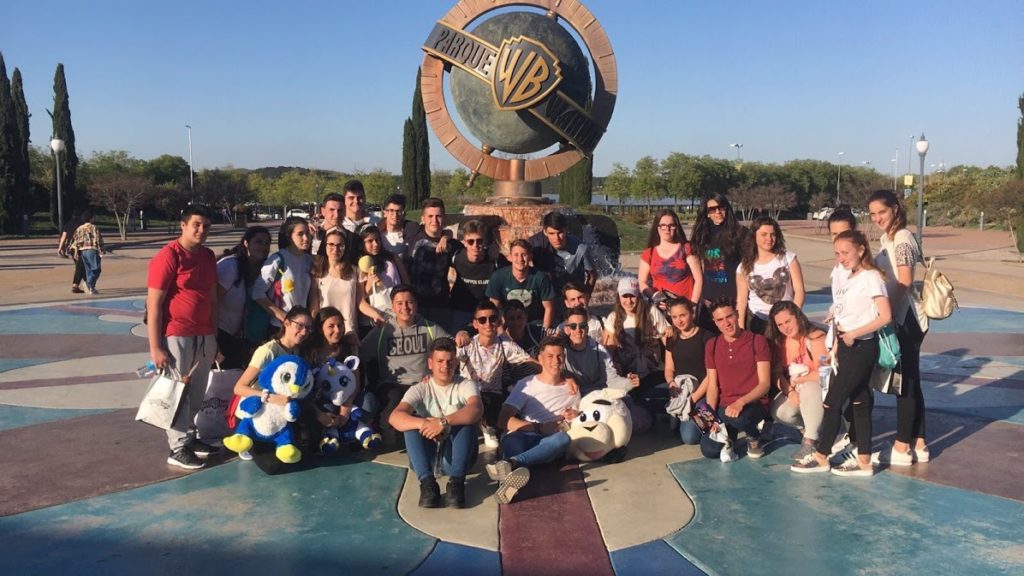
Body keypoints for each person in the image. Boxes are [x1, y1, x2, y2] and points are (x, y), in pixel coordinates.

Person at [791, 230, 890, 476]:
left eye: (845, 252)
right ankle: (864, 460)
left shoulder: (871, 277)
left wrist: (854, 333)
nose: (841, 258)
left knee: (832, 401)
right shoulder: (849, 276)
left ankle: (821, 456)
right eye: (837, 253)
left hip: (861, 347)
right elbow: (849, 309)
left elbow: (885, 316)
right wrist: (836, 339)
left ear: (861, 250)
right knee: (859, 401)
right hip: (845, 345)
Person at [146, 206, 219, 470]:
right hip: (176, 333)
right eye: (196, 224)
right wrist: (156, 347)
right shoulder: (169, 256)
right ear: (183, 225)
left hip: (204, 334)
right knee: (178, 391)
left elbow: (212, 298)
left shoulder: (208, 256)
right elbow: (154, 304)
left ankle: (189, 437)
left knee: (197, 390)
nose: (201, 230)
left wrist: (214, 336)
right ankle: (177, 448)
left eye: (206, 226)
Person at [226, 306, 326, 474]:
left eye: (308, 328)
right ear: (286, 323)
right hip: (255, 412)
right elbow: (239, 387)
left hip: (280, 414)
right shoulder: (268, 351)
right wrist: (269, 397)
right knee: (273, 467)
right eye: (299, 325)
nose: (304, 332)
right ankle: (248, 442)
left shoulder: (298, 353)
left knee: (300, 457)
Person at [869, 190, 929, 465]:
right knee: (911, 380)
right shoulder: (889, 239)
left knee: (904, 382)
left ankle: (902, 446)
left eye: (882, 212)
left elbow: (904, 281)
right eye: (873, 214)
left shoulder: (902, 238)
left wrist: (887, 313)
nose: (877, 218)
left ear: (895, 209)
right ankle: (920, 441)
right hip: (903, 317)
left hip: (906, 319)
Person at [390, 338, 484, 508]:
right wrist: (424, 423)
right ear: (430, 363)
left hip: (455, 459)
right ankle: (428, 485)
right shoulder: (420, 388)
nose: (445, 366)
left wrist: (443, 422)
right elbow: (395, 417)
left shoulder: (466, 385)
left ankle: (457, 484)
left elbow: (476, 408)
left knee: (466, 422)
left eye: (450, 361)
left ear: (456, 362)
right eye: (440, 361)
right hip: (428, 459)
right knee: (411, 426)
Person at [489, 336, 581, 505]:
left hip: (549, 441)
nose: (556, 361)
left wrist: (576, 415)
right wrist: (538, 428)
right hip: (524, 434)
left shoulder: (572, 387)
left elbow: (582, 417)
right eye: (550, 356)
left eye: (560, 356)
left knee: (563, 439)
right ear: (540, 358)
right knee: (513, 440)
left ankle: (512, 464)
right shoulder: (527, 384)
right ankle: (512, 475)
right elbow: (503, 421)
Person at [360, 285, 450, 445]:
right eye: (399, 303)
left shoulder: (429, 328)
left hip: (422, 384)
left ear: (416, 304)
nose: (405, 307)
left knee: (434, 427)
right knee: (390, 427)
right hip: (392, 384)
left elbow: (451, 346)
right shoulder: (383, 330)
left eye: (409, 302)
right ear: (392, 306)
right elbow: (361, 351)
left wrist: (462, 334)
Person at [700, 298, 771, 460]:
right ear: (715, 322)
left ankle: (754, 435)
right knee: (709, 450)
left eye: (729, 316)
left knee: (739, 418)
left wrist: (741, 402)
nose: (726, 323)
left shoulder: (757, 341)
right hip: (725, 408)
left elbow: (765, 384)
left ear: (737, 314)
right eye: (720, 319)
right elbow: (712, 386)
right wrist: (711, 418)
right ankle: (729, 438)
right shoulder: (712, 345)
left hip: (752, 404)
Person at [457, 301, 535, 448]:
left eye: (492, 319)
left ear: (499, 321)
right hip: (468, 396)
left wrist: (561, 376)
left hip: (493, 397)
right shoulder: (467, 344)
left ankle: (490, 427)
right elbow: (447, 361)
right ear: (475, 324)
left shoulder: (505, 344)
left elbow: (532, 362)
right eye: (482, 320)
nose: (488, 324)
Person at [766, 301, 828, 463]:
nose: (785, 327)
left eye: (788, 321)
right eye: (780, 324)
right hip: (798, 388)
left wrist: (800, 380)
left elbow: (825, 372)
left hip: (822, 388)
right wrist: (790, 391)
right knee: (780, 411)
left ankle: (810, 440)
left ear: (798, 317)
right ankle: (811, 427)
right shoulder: (781, 342)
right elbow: (777, 374)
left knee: (809, 388)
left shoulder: (815, 337)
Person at [736, 217, 805, 334]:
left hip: (785, 322)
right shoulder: (744, 267)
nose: (769, 239)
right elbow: (741, 301)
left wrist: (793, 317)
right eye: (764, 234)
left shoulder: (788, 258)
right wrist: (740, 330)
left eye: (772, 234)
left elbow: (799, 291)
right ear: (754, 236)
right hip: (757, 321)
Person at [216, 226, 272, 369]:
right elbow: (211, 301)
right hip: (219, 333)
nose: (263, 247)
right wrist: (212, 338)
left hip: (244, 338)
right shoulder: (230, 266)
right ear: (246, 243)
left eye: (267, 243)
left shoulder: (265, 270)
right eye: (258, 242)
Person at [603, 277, 669, 396]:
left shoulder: (651, 312)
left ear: (638, 296)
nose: (629, 301)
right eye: (625, 296)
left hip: (653, 373)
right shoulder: (613, 318)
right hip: (627, 375)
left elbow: (667, 340)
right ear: (619, 297)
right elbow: (608, 353)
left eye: (632, 296)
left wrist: (671, 371)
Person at [692, 194, 748, 333]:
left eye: (721, 207)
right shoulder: (702, 235)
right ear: (707, 213)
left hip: (732, 303)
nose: (717, 212)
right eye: (712, 209)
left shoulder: (741, 234)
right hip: (708, 303)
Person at [663, 298, 715, 445]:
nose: (679, 321)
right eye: (674, 317)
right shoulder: (672, 338)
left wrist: (693, 399)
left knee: (690, 437)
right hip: (680, 391)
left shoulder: (707, 337)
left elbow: (711, 375)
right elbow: (669, 368)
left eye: (682, 315)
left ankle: (713, 418)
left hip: (702, 393)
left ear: (692, 313)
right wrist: (671, 383)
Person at [308, 229, 367, 353]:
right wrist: (313, 328)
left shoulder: (355, 271)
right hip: (325, 331)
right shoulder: (317, 272)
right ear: (325, 246)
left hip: (349, 330)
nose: (336, 249)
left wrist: (380, 316)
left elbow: (361, 303)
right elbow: (314, 306)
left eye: (340, 245)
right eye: (331, 244)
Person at [253, 216, 314, 333]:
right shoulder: (278, 259)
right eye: (300, 234)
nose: (306, 238)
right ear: (289, 236)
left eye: (307, 233)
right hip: (279, 327)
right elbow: (257, 292)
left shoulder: (309, 260)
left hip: (303, 327)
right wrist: (283, 316)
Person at [407, 197, 460, 331]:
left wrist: (446, 237)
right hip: (414, 304)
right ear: (423, 218)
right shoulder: (413, 231)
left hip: (440, 305)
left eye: (438, 216)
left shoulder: (452, 245)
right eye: (430, 216)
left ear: (444, 218)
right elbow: (388, 221)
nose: (434, 220)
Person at [528, 211, 596, 311]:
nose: (557, 238)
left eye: (560, 233)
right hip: (547, 296)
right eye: (551, 233)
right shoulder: (535, 244)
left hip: (572, 295)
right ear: (545, 232)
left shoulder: (581, 248)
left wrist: (586, 297)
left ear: (566, 230)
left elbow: (592, 275)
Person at [450, 219, 506, 332]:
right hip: (461, 310)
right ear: (464, 242)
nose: (475, 245)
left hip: (487, 313)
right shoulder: (456, 257)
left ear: (485, 242)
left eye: (479, 241)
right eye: (471, 241)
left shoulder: (496, 260)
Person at [562, 306, 633, 396]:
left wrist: (629, 382)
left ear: (587, 329)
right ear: (567, 329)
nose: (578, 330)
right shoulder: (560, 349)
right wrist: (567, 377)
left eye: (582, 325)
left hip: (597, 394)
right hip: (571, 395)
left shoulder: (600, 351)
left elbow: (611, 379)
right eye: (573, 326)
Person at [486, 239, 555, 329]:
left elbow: (549, 308)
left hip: (534, 324)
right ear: (509, 257)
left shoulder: (540, 277)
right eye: (516, 255)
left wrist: (543, 332)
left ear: (530, 256)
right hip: (508, 322)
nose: (520, 259)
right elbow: (494, 307)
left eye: (524, 255)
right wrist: (501, 332)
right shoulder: (498, 277)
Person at [638, 209, 703, 305]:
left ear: (676, 227)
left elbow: (699, 279)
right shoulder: (649, 253)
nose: (667, 229)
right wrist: (654, 297)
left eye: (671, 225)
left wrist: (693, 305)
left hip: (685, 307)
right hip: (660, 307)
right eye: (663, 225)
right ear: (657, 227)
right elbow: (642, 282)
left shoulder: (687, 249)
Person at [357, 226, 406, 333]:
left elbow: (406, 281)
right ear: (362, 244)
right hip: (376, 316)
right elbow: (362, 296)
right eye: (370, 241)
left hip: (398, 309)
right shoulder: (361, 265)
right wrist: (370, 282)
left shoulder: (391, 257)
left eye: (377, 240)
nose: (375, 244)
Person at [378, 193, 419, 264]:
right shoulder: (377, 234)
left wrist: (441, 239)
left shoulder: (411, 231)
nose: (395, 215)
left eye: (398, 211)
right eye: (391, 210)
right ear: (385, 213)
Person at [70, 210, 104, 295]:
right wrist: (102, 249)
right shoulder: (93, 227)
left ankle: (92, 288)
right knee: (96, 269)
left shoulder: (79, 228)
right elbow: (98, 238)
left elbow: (76, 240)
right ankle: (89, 283)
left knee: (88, 269)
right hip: (92, 249)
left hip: (82, 250)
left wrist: (76, 252)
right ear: (91, 218)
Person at [57, 210, 86, 294]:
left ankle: (82, 284)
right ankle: (81, 285)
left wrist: (60, 247)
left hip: (71, 248)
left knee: (80, 266)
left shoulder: (68, 223)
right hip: (82, 247)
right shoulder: (83, 224)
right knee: (81, 266)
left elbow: (64, 236)